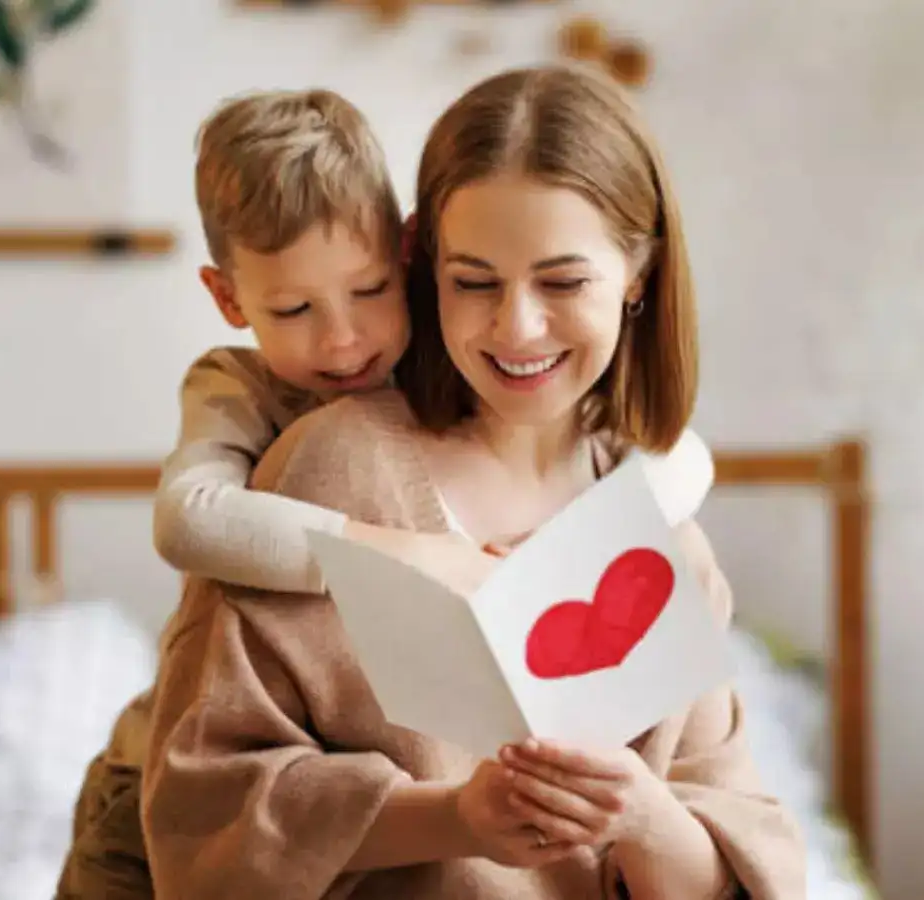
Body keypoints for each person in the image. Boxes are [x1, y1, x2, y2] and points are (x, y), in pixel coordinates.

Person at [135, 65, 807, 899]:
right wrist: (454, 818)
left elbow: (738, 867)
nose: (516, 328)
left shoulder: (666, 535)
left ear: (638, 274)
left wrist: (640, 814)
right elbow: (206, 817)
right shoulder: (326, 470)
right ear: (426, 263)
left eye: (563, 281)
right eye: (474, 282)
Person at [151, 88, 715, 598]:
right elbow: (186, 520)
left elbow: (680, 455)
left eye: (371, 290)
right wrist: (402, 556)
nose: (344, 341)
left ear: (405, 252)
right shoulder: (236, 387)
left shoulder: (451, 347)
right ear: (227, 298)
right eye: (293, 310)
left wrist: (584, 538)